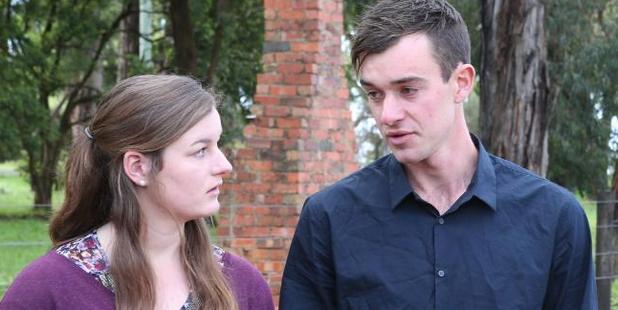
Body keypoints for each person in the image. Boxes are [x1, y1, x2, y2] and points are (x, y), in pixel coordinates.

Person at [280, 0, 597, 309]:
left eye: (408, 90)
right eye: (374, 94)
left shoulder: (554, 218)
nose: (387, 114)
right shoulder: (329, 218)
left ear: (462, 83)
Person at [0, 75, 274, 310]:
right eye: (200, 150)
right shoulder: (48, 291)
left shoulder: (242, 286)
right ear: (138, 167)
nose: (224, 165)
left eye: (218, 145)